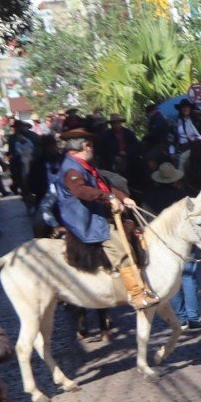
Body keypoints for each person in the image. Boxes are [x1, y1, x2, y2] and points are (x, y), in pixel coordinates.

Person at [54, 127, 155, 309]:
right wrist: (108, 198)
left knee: (135, 230)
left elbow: (105, 186)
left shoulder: (85, 166)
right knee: (120, 247)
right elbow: (81, 191)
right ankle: (137, 294)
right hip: (86, 220)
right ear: (85, 145)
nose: (92, 148)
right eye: (91, 145)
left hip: (98, 213)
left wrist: (124, 198)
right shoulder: (72, 169)